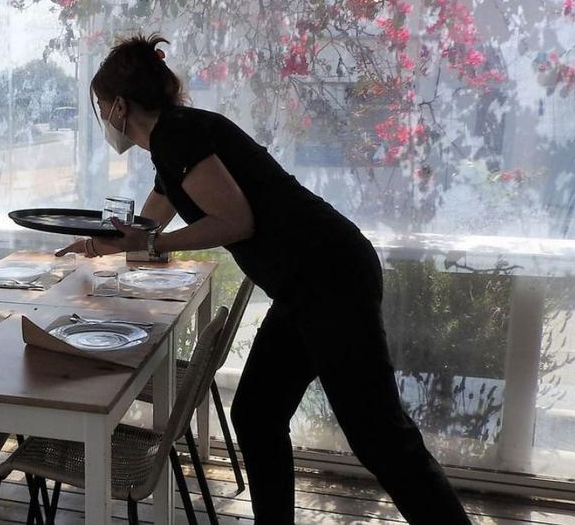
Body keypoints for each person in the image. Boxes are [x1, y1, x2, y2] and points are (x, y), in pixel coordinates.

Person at [56, 33, 471, 524]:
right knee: (256, 415)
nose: (104, 119)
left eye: (103, 107)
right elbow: (149, 225)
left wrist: (147, 246)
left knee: (379, 436)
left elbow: (235, 221)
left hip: (328, 274)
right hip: (307, 282)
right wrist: (98, 242)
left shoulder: (178, 135)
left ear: (120, 105)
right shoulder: (172, 142)